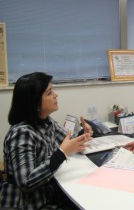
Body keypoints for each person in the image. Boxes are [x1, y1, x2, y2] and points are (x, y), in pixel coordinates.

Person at [0, 72, 93, 209]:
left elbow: (68, 143)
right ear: (35, 102)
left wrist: (83, 134)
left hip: (46, 196)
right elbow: (26, 182)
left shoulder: (47, 122)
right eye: (49, 93)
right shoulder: (22, 133)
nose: (56, 95)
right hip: (26, 204)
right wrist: (60, 154)